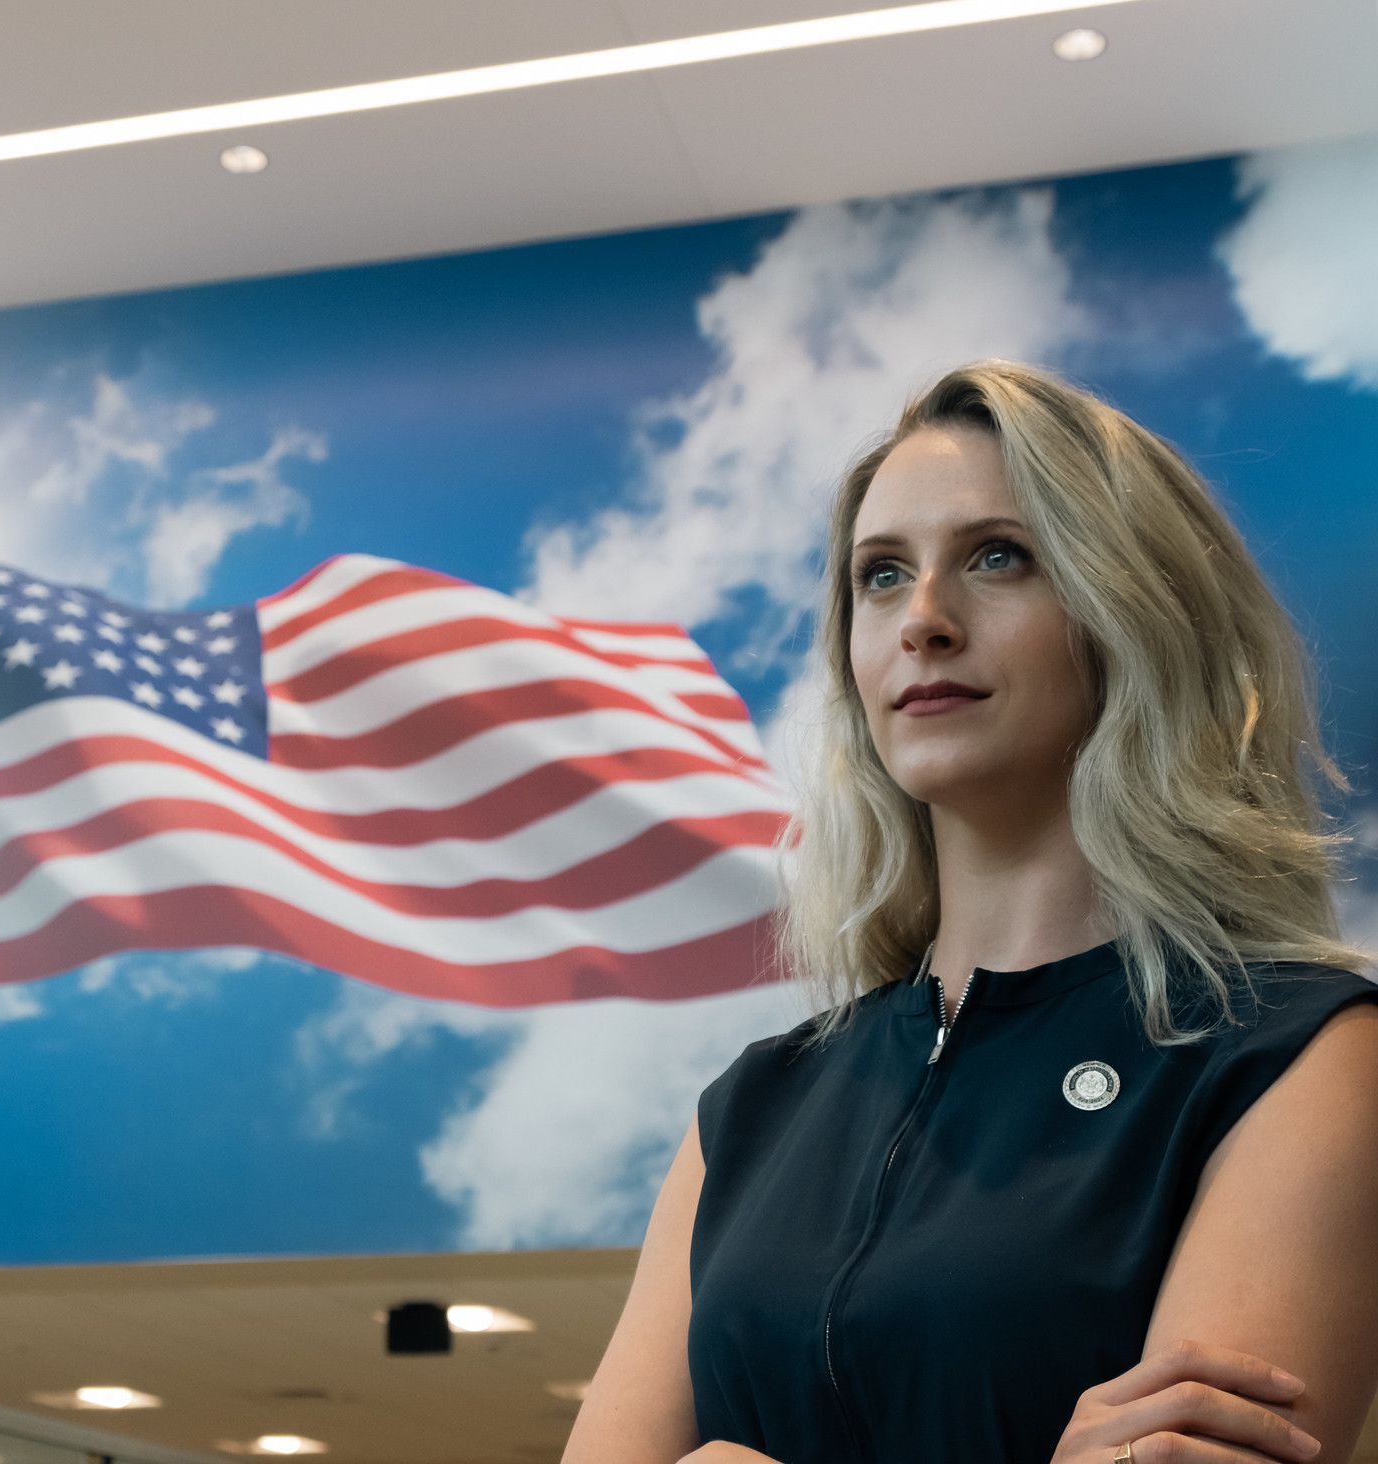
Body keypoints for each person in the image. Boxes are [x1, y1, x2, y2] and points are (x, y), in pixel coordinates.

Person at [564, 361, 1378, 1464]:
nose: (924, 620)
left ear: (1131, 608)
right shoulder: (751, 1108)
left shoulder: (1296, 1053)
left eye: (998, 557)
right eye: (881, 575)